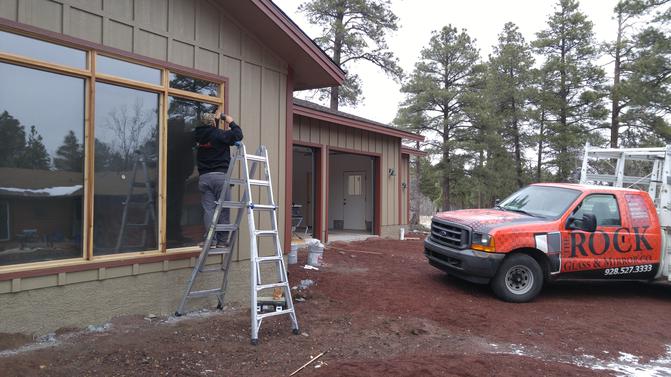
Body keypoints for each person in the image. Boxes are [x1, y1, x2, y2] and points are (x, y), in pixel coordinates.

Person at [193, 111, 243, 248]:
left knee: (209, 210)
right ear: (213, 123)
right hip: (220, 177)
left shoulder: (197, 136)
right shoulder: (219, 134)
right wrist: (230, 121)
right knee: (223, 208)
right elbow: (238, 135)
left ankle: (210, 240)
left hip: (204, 178)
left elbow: (205, 134)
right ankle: (221, 241)